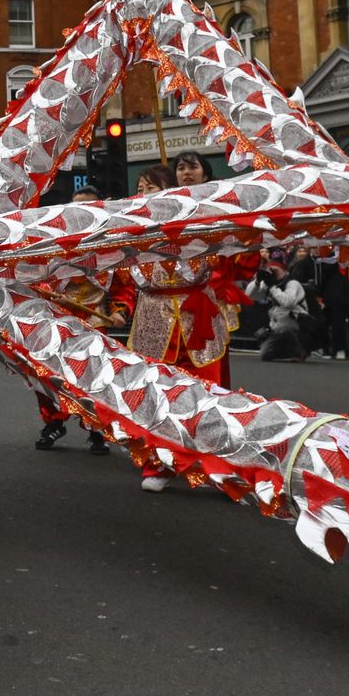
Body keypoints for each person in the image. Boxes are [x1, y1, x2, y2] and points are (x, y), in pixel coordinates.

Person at [110, 162, 247, 491]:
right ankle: (160, 462)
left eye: (151, 188)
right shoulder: (135, 232)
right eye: (140, 189)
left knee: (207, 397)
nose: (143, 195)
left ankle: (217, 465)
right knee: (156, 393)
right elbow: (124, 280)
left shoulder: (200, 223)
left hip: (198, 322)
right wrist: (120, 307)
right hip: (153, 322)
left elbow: (232, 260)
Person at [31, 185, 115, 456]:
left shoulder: (110, 243)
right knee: (53, 375)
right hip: (60, 319)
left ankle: (96, 428)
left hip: (95, 320)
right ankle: (54, 422)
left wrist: (120, 311)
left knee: (95, 377)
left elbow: (124, 284)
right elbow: (39, 277)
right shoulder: (55, 243)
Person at [246, 251, 308, 362]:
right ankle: (288, 351)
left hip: (297, 326)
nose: (273, 272)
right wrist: (257, 281)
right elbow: (250, 296)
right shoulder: (269, 282)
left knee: (286, 328)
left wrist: (273, 287)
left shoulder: (293, 283)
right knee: (265, 355)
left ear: (284, 269)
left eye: (276, 270)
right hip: (277, 327)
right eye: (271, 269)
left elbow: (288, 303)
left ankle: (300, 350)